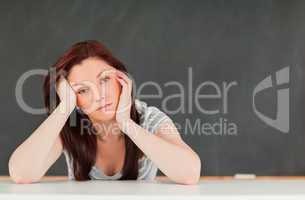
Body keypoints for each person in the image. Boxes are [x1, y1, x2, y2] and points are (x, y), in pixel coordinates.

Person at [8, 40, 201, 185]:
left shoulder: (149, 119)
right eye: (83, 90)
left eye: (104, 80)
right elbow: (22, 173)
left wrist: (126, 123)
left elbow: (190, 173)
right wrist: (65, 108)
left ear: (121, 78)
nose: (99, 95)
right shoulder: (68, 126)